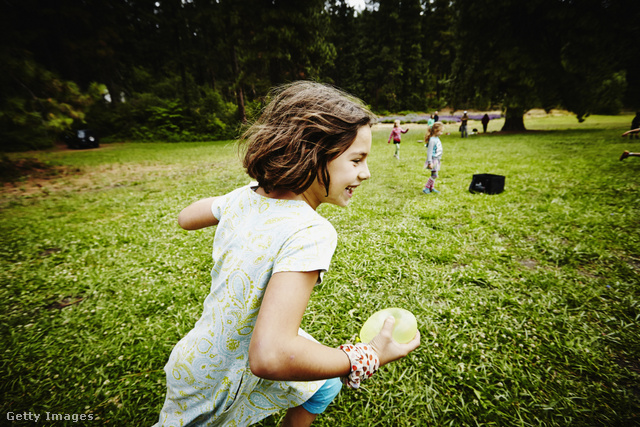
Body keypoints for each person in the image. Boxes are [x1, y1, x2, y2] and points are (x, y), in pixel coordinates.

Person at [154, 81, 421, 427]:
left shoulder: (243, 197)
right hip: (219, 382)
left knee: (323, 385)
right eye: (357, 160)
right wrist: (364, 356)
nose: (366, 173)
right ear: (312, 152)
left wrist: (239, 201)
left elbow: (186, 218)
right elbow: (271, 356)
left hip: (196, 359)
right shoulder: (311, 232)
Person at [423, 121, 445, 194]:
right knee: (435, 175)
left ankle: (431, 188)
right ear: (436, 130)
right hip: (433, 160)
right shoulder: (432, 140)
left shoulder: (436, 138)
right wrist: (430, 162)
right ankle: (426, 187)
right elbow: (429, 152)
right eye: (441, 131)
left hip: (436, 159)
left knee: (434, 174)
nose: (441, 133)